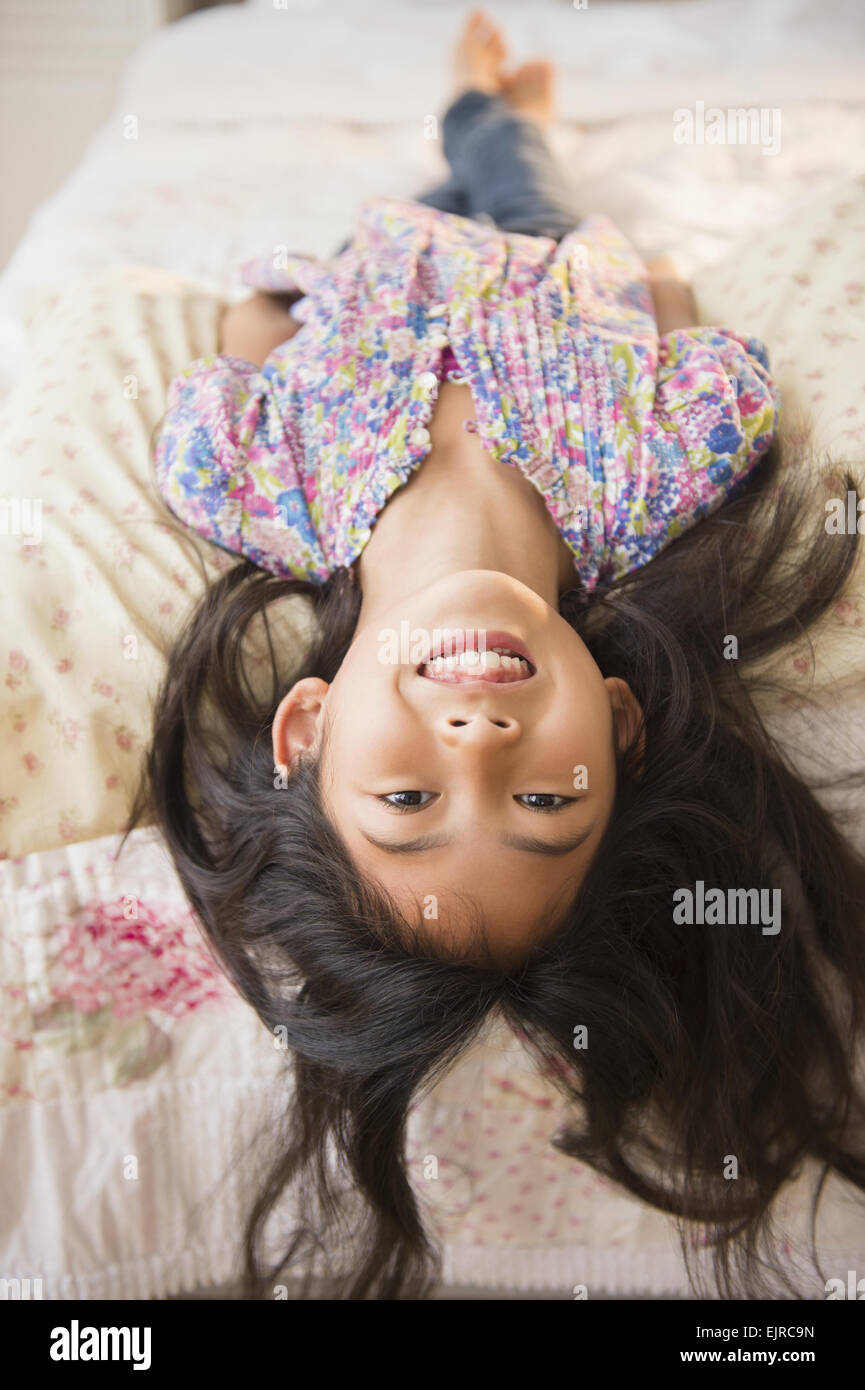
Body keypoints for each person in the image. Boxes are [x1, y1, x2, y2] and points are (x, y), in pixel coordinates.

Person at [128, 11, 865, 1299]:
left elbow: (236, 362)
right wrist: (645, 286)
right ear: (622, 725)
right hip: (550, 262)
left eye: (407, 800)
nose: (477, 748)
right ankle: (500, 110)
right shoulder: (652, 480)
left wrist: (271, 301)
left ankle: (470, 117)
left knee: (405, 201)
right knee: (519, 174)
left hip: (376, 267)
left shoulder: (263, 486)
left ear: (304, 730)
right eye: (545, 800)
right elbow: (702, 348)